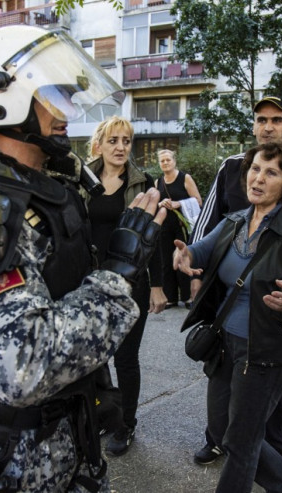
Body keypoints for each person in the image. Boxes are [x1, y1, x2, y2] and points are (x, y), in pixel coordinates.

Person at [0, 25, 165, 492]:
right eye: (54, 95)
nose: (68, 110)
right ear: (4, 100)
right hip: (6, 460)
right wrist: (118, 275)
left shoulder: (43, 186)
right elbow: (25, 365)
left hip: (65, 444)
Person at [190, 95, 282, 466]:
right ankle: (220, 440)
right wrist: (191, 267)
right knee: (223, 383)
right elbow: (207, 227)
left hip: (273, 313)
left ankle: (274, 449)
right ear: (253, 125)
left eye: (276, 119)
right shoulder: (232, 168)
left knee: (271, 389)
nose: (268, 126)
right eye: (261, 119)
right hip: (229, 301)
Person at [174, 141, 282, 493]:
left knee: (240, 443)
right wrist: (185, 255)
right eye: (255, 169)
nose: (258, 178)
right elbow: (200, 251)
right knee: (224, 431)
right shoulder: (233, 222)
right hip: (224, 346)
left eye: (271, 172)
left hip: (266, 353)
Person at [83, 115, 167, 456]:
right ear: (99, 144)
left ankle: (126, 424)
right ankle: (105, 413)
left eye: (126, 141)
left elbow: (154, 238)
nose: (120, 147)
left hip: (132, 284)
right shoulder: (82, 179)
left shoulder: (144, 182)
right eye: (114, 140)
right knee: (94, 359)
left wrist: (159, 286)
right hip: (90, 284)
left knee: (126, 359)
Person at [155, 149, 202, 308]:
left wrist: (179, 203)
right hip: (165, 227)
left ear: (174, 161)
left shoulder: (185, 178)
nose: (165, 163)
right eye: (162, 161)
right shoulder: (158, 182)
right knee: (166, 262)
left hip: (182, 226)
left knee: (183, 259)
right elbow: (154, 205)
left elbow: (198, 201)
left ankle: (188, 297)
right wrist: (161, 204)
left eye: (168, 160)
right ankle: (171, 298)